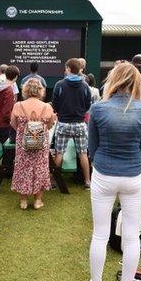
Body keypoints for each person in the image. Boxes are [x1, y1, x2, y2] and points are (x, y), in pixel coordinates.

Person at [87, 63, 141, 281]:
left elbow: (92, 147)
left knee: (100, 234)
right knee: (131, 234)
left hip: (104, 173)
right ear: (135, 82)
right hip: (133, 174)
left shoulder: (99, 108)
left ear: (113, 80)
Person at [10, 79, 56, 210]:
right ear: (41, 90)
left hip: (23, 144)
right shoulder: (47, 107)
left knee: (23, 169)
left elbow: (13, 123)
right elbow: (50, 125)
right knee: (40, 169)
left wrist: (24, 130)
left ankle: (23, 201)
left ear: (25, 90)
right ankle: (37, 201)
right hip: (40, 144)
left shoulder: (18, 105)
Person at [52, 58, 92, 188]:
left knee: (59, 153)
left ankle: (54, 182)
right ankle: (87, 181)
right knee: (83, 153)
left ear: (68, 68)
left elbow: (55, 104)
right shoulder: (85, 85)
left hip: (63, 123)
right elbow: (88, 105)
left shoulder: (59, 84)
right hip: (80, 123)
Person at [0, 65, 19, 152]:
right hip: (5, 124)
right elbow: (6, 111)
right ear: (16, 76)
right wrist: (12, 121)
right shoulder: (9, 90)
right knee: (7, 150)